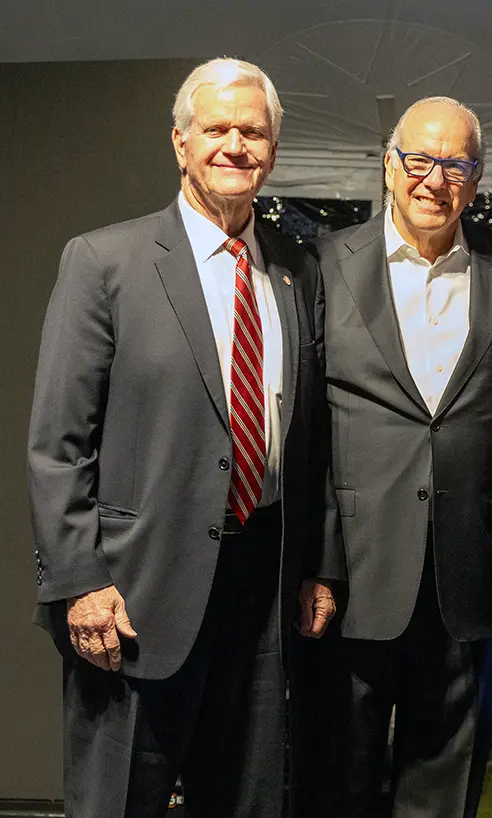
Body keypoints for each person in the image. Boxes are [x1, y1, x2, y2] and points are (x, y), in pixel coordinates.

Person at [27, 57, 341, 818]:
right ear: (180, 143)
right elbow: (57, 443)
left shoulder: (300, 269)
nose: (235, 144)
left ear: (272, 147)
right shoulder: (104, 261)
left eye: (253, 131)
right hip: (135, 588)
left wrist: (316, 566)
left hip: (263, 584)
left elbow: (315, 441)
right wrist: (78, 582)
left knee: (248, 798)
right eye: (216, 129)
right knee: (118, 801)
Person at [306, 96, 492, 818]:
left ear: (477, 179)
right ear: (388, 165)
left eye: (456, 164)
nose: (434, 179)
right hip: (347, 577)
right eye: (419, 159)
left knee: (448, 783)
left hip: (467, 574)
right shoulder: (322, 266)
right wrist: (314, 565)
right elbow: (301, 428)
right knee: (333, 783)